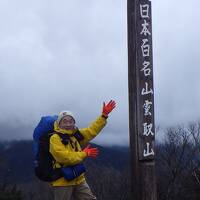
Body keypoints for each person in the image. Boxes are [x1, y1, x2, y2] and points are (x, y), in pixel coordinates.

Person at [49, 100, 116, 200]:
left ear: (74, 122)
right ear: (59, 124)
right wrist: (84, 153)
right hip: (62, 179)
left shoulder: (75, 135)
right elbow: (64, 158)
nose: (68, 124)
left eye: (70, 121)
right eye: (64, 121)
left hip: (78, 178)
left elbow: (91, 130)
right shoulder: (55, 138)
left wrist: (104, 116)